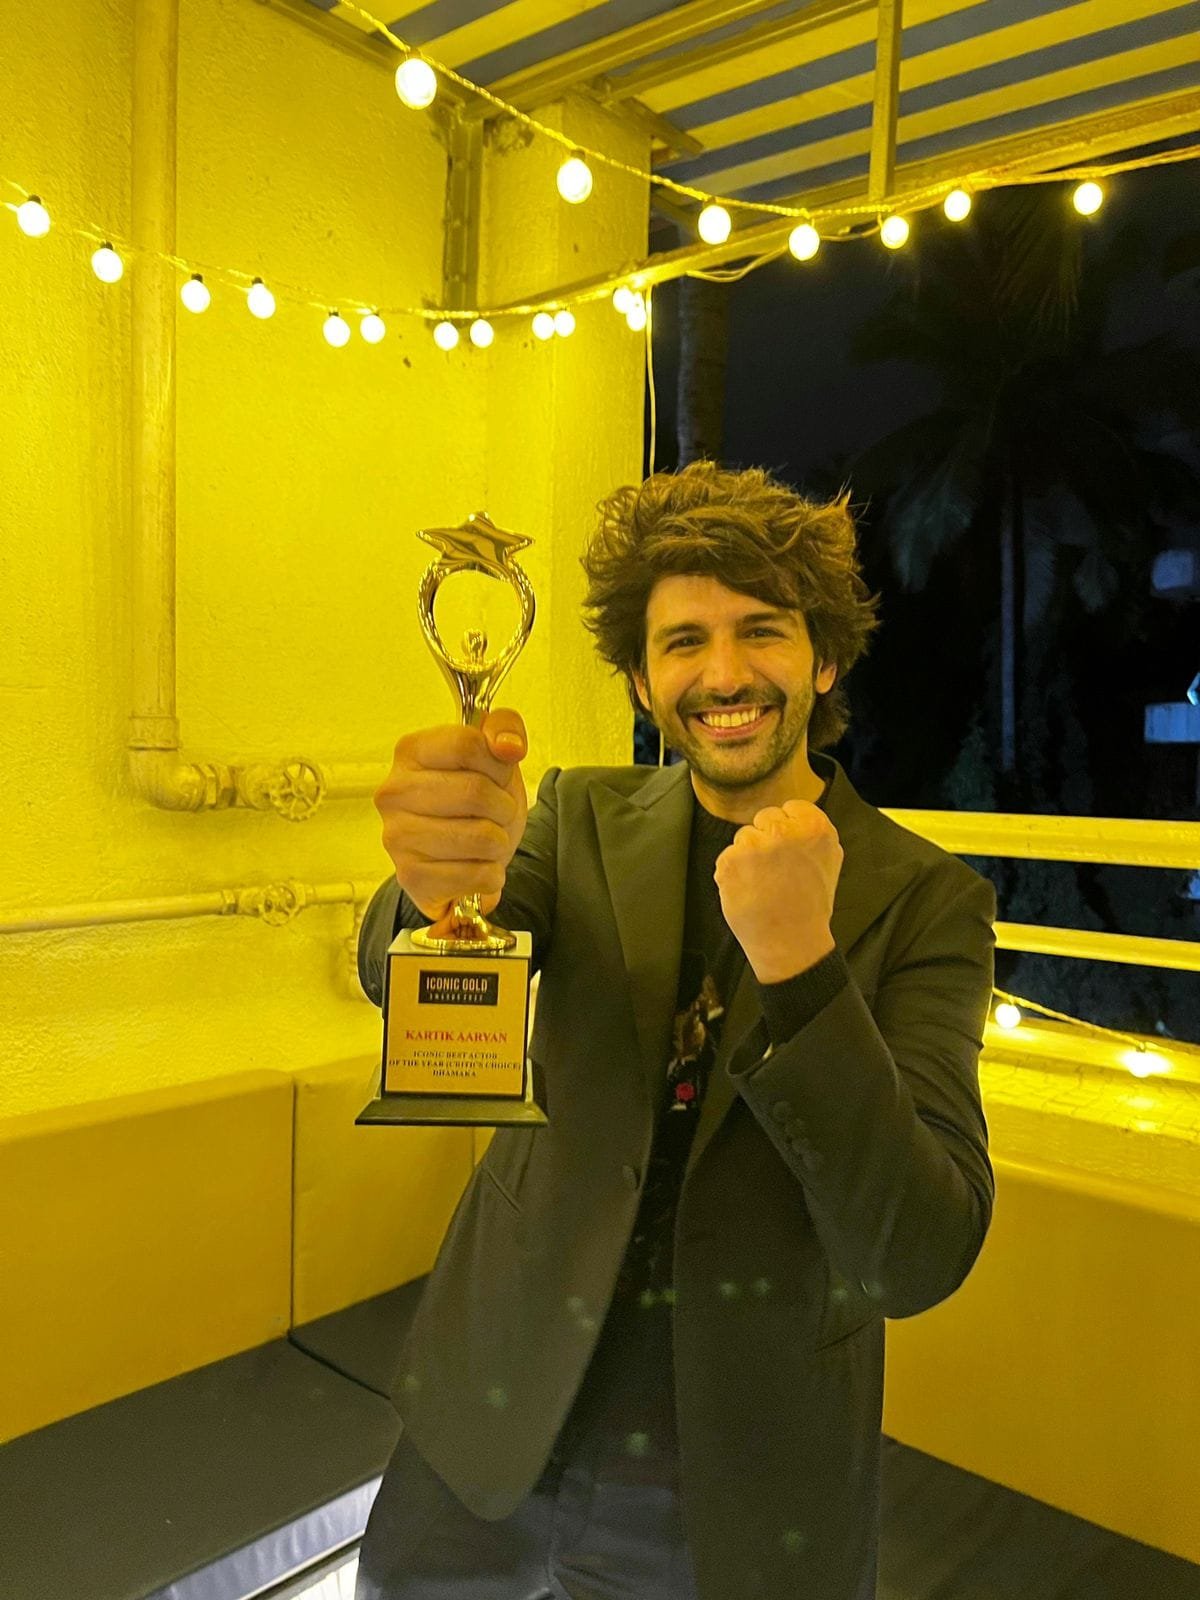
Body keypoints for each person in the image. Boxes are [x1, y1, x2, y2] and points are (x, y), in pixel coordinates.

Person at [354, 461, 997, 1600]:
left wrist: (804, 971)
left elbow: (917, 1251)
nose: (725, 673)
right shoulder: (578, 813)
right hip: (491, 1412)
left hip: (729, 1486)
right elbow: (408, 964)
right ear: (645, 682)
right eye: (684, 641)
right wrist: (436, 883)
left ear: (825, 660)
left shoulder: (927, 898)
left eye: (764, 631)